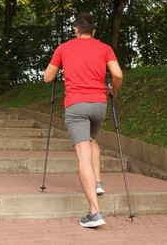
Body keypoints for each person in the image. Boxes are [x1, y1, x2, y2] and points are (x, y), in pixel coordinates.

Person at [44, 13, 123, 228]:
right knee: (92, 139)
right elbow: (117, 74)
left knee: (82, 154)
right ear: (94, 31)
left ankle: (94, 212)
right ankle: (97, 182)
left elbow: (47, 77)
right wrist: (113, 92)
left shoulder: (64, 48)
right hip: (99, 105)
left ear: (75, 30)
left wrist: (60, 65)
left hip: (76, 106)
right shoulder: (104, 47)